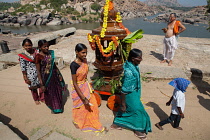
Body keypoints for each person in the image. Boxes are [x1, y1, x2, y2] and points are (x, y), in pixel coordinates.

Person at [111, 49, 152, 140]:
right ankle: (137, 129)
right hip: (128, 94)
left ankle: (117, 123)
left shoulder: (134, 65)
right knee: (138, 111)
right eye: (139, 58)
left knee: (130, 110)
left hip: (135, 92)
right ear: (133, 59)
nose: (141, 59)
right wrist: (123, 103)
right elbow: (124, 91)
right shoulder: (129, 72)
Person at [70, 43, 107, 132]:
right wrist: (83, 97)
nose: (85, 54)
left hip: (85, 86)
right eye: (82, 53)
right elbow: (75, 83)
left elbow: (85, 76)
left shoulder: (84, 60)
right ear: (76, 52)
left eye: (86, 52)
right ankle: (78, 121)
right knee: (80, 107)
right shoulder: (73, 65)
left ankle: (94, 122)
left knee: (92, 105)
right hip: (78, 88)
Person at [35, 39, 65, 113]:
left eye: (48, 46)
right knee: (50, 93)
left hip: (54, 75)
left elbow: (54, 65)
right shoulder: (38, 57)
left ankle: (59, 107)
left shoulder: (50, 54)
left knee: (57, 90)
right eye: (44, 46)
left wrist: (59, 74)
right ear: (39, 47)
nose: (47, 48)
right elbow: (38, 71)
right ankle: (54, 107)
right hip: (46, 78)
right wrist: (41, 84)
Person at [18, 38, 44, 105]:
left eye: (29, 45)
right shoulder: (22, 56)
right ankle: (36, 99)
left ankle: (42, 98)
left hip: (39, 72)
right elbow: (23, 67)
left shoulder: (37, 51)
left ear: (32, 45)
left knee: (41, 85)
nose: (28, 47)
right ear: (23, 46)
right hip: (30, 74)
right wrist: (25, 77)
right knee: (33, 88)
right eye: (26, 46)